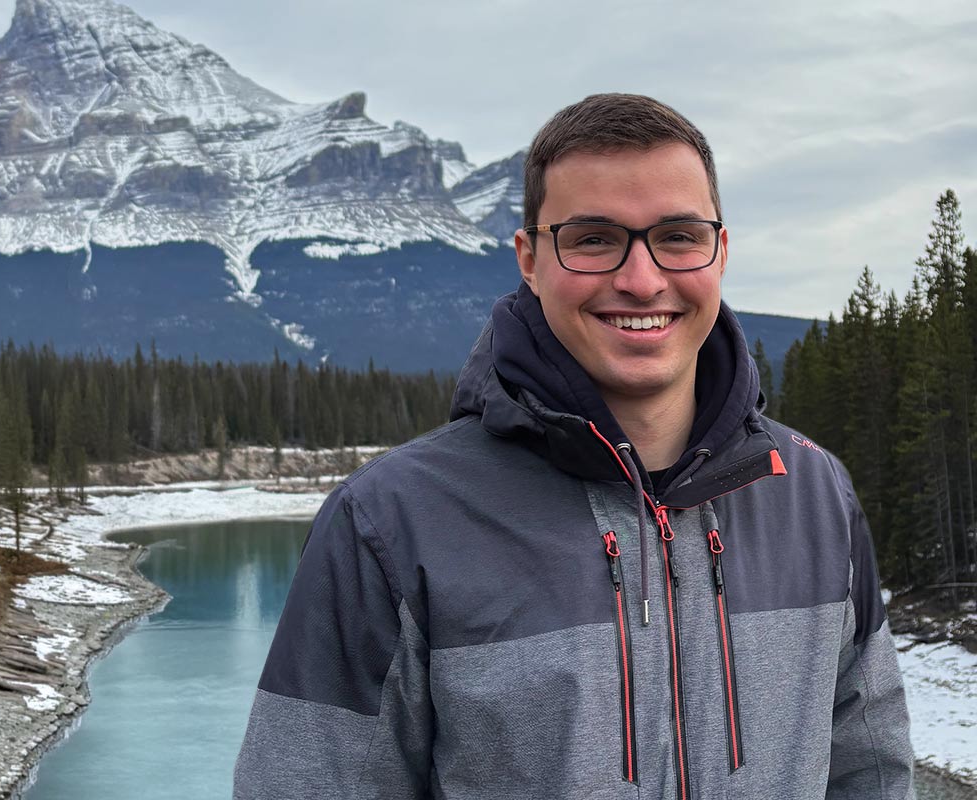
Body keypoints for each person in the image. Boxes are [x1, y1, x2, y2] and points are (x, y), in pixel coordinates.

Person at [234, 93, 915, 799]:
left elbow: (870, 773)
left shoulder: (813, 493)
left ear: (721, 250)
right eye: (593, 239)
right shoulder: (389, 522)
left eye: (678, 236)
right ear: (530, 259)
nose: (642, 279)